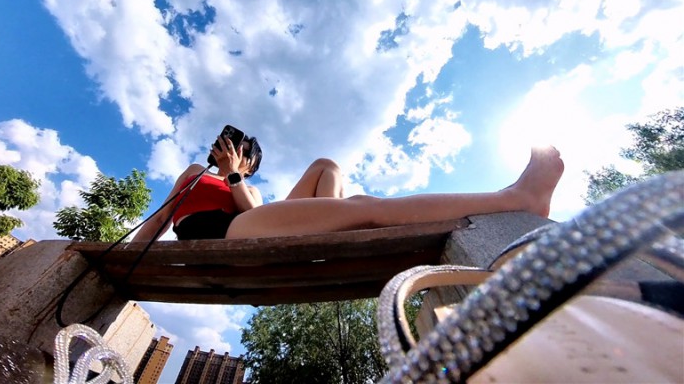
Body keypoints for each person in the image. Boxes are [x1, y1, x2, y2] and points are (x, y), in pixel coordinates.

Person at [132, 132, 564, 242]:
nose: (234, 154)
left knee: (327, 165)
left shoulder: (248, 189)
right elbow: (159, 220)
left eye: (243, 154)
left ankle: (332, 223)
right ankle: (516, 199)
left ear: (250, 166)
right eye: (233, 149)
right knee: (365, 207)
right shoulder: (196, 172)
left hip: (247, 225)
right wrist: (125, 258)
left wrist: (234, 176)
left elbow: (248, 208)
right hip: (224, 235)